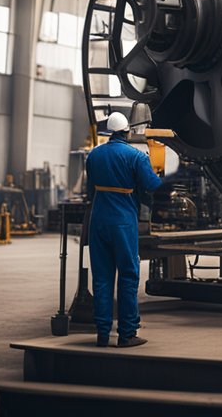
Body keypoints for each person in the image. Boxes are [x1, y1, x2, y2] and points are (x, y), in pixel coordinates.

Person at [86, 111, 161, 347]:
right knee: (128, 276)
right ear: (127, 131)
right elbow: (152, 185)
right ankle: (127, 334)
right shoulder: (135, 156)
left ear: (109, 132)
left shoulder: (94, 155)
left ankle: (102, 333)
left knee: (101, 277)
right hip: (123, 221)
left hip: (98, 220)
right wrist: (162, 173)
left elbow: (91, 190)